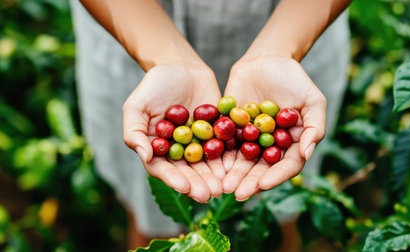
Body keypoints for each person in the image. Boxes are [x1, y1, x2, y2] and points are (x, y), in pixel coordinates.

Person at [70, 0, 351, 250]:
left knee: (280, 218)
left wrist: (281, 50)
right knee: (152, 224)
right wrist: (164, 58)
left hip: (296, 35)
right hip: (134, 31)